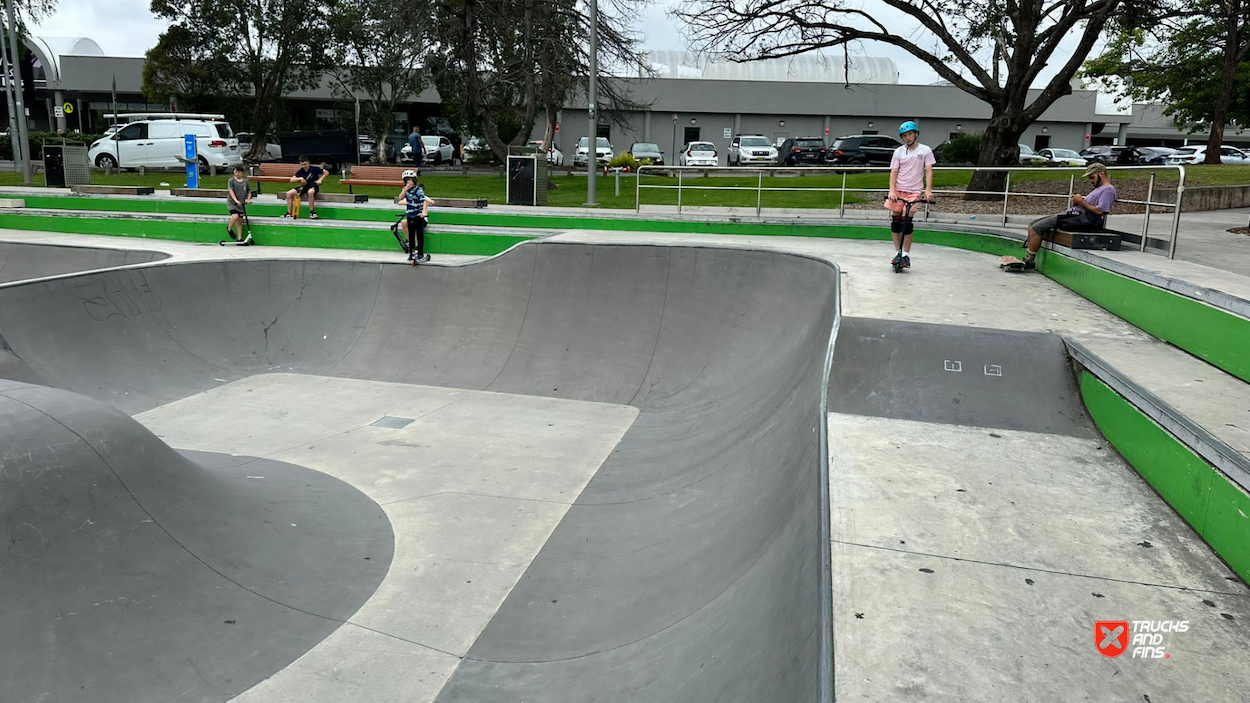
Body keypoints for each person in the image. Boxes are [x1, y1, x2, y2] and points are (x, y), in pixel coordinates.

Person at [1021, 163, 1116, 270]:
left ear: (1101, 174)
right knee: (1032, 225)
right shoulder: (1099, 189)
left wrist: (1081, 201)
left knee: (1036, 228)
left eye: (1092, 177)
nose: (1090, 181)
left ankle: (1029, 261)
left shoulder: (1108, 190)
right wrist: (1078, 201)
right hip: (1073, 214)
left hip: (1079, 218)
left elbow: (1100, 211)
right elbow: (1089, 205)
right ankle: (1029, 256)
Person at [885, 120, 935, 269]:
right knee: (896, 222)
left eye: (910, 134)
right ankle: (898, 252)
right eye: (905, 135)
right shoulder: (898, 152)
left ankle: (906, 254)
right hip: (899, 190)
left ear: (916, 134)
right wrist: (892, 190)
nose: (908, 138)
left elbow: (929, 170)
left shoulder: (925, 150)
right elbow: (894, 171)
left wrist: (928, 190)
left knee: (907, 223)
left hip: (913, 191)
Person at [397, 170, 434, 263]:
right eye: (407, 181)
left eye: (411, 181)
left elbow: (424, 200)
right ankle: (412, 253)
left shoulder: (418, 190)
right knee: (411, 234)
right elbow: (400, 198)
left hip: (418, 216)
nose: (409, 183)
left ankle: (420, 253)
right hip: (410, 215)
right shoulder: (405, 190)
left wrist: (423, 212)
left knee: (419, 234)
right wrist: (406, 189)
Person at [227, 164, 252, 241]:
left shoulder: (245, 182)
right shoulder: (231, 181)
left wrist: (248, 199)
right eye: (235, 172)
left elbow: (249, 191)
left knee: (240, 221)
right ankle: (229, 229)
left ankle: (240, 238)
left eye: (239, 172)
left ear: (242, 173)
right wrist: (235, 200)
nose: (237, 174)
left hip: (241, 205)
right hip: (233, 203)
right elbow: (230, 190)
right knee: (235, 216)